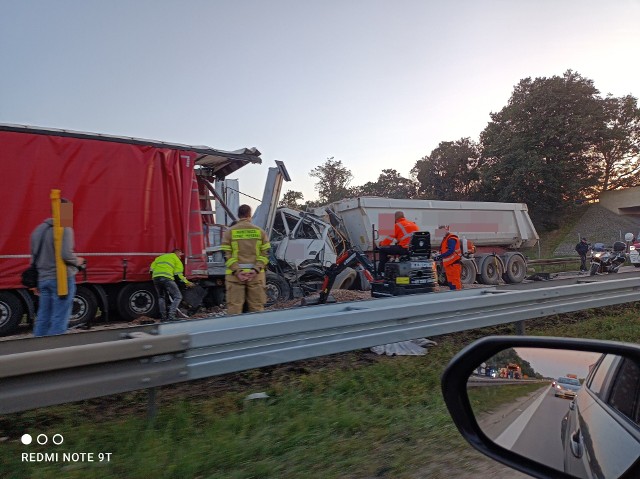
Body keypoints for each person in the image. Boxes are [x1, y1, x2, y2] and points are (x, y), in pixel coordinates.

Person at [31, 199, 85, 337]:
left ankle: (38, 350)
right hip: (61, 280)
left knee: (43, 316)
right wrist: (78, 261)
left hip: (43, 279)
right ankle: (55, 351)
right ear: (63, 211)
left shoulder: (38, 230)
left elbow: (33, 258)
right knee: (59, 317)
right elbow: (66, 255)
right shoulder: (64, 228)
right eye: (68, 212)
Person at [220, 204, 270, 315]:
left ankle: (236, 332)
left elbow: (225, 255)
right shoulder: (260, 232)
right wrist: (255, 270)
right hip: (256, 276)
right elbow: (266, 254)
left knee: (234, 310)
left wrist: (238, 272)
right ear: (249, 215)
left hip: (235, 277)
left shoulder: (229, 232)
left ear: (238, 215)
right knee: (257, 309)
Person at [150, 248, 194, 321]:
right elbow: (178, 274)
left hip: (156, 278)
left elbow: (151, 269)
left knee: (161, 297)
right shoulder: (176, 259)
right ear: (176, 253)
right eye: (180, 254)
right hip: (167, 278)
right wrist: (187, 282)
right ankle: (171, 315)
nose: (180, 257)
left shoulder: (160, 257)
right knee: (178, 296)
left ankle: (163, 317)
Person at [376, 211, 419, 275]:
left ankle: (381, 273)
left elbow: (388, 240)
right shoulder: (413, 224)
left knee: (382, 250)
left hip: (404, 249)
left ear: (395, 218)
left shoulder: (397, 225)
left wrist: (380, 244)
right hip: (413, 249)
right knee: (395, 247)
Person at [433, 225, 462, 290]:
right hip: (450, 265)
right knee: (451, 283)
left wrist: (439, 257)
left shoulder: (451, 238)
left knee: (455, 284)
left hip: (453, 265)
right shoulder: (446, 238)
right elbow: (444, 250)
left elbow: (450, 251)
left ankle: (457, 296)